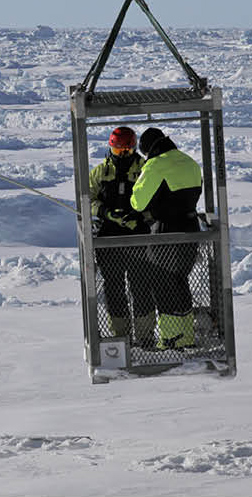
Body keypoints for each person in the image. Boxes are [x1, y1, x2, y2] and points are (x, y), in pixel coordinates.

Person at [130, 127, 203, 349]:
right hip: (191, 227)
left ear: (147, 150)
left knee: (162, 282)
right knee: (180, 281)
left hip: (166, 231)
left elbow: (138, 202)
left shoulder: (155, 165)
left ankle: (170, 340)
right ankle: (186, 337)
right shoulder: (188, 160)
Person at [89, 126, 156, 346]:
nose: (122, 156)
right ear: (110, 149)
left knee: (142, 286)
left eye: (126, 152)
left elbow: (157, 199)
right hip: (109, 238)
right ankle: (121, 335)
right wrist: (107, 213)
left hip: (138, 237)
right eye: (118, 152)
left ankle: (145, 336)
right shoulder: (100, 172)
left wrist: (140, 217)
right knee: (114, 287)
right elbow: (87, 200)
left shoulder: (145, 169)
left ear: (134, 148)